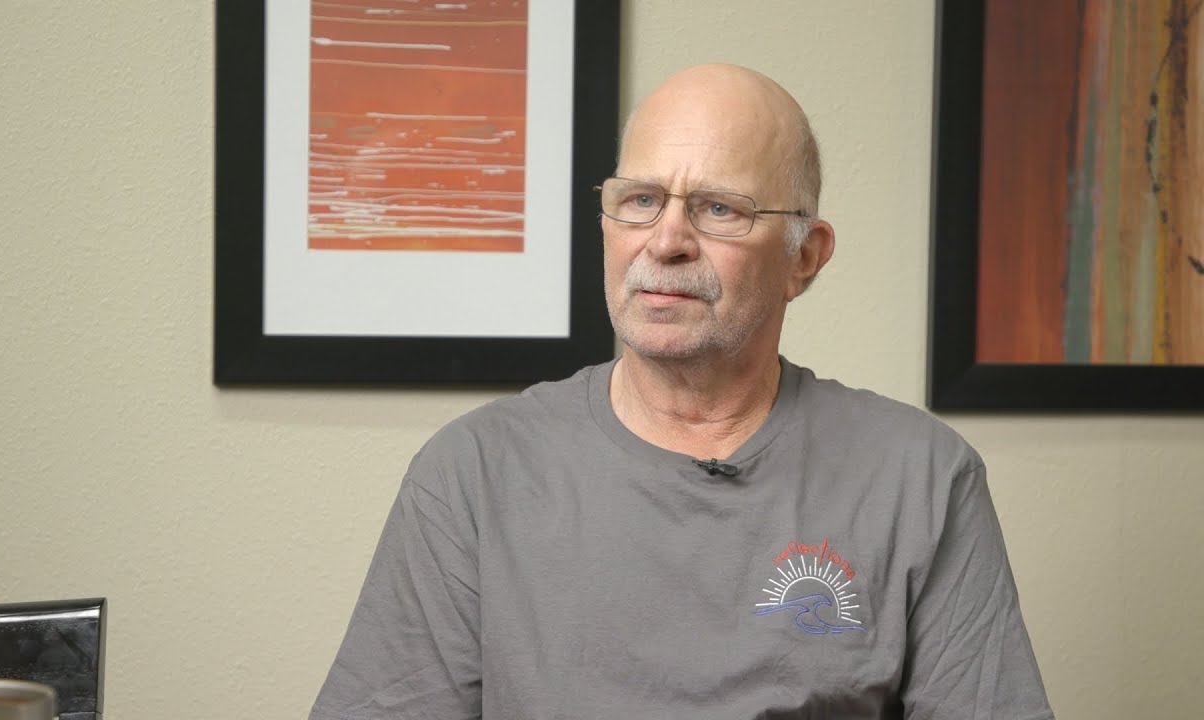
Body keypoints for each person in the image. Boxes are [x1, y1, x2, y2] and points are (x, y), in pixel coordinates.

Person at [310, 63, 1053, 720]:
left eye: (719, 208)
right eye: (640, 200)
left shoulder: (921, 479)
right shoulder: (474, 474)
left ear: (805, 258)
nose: (665, 241)